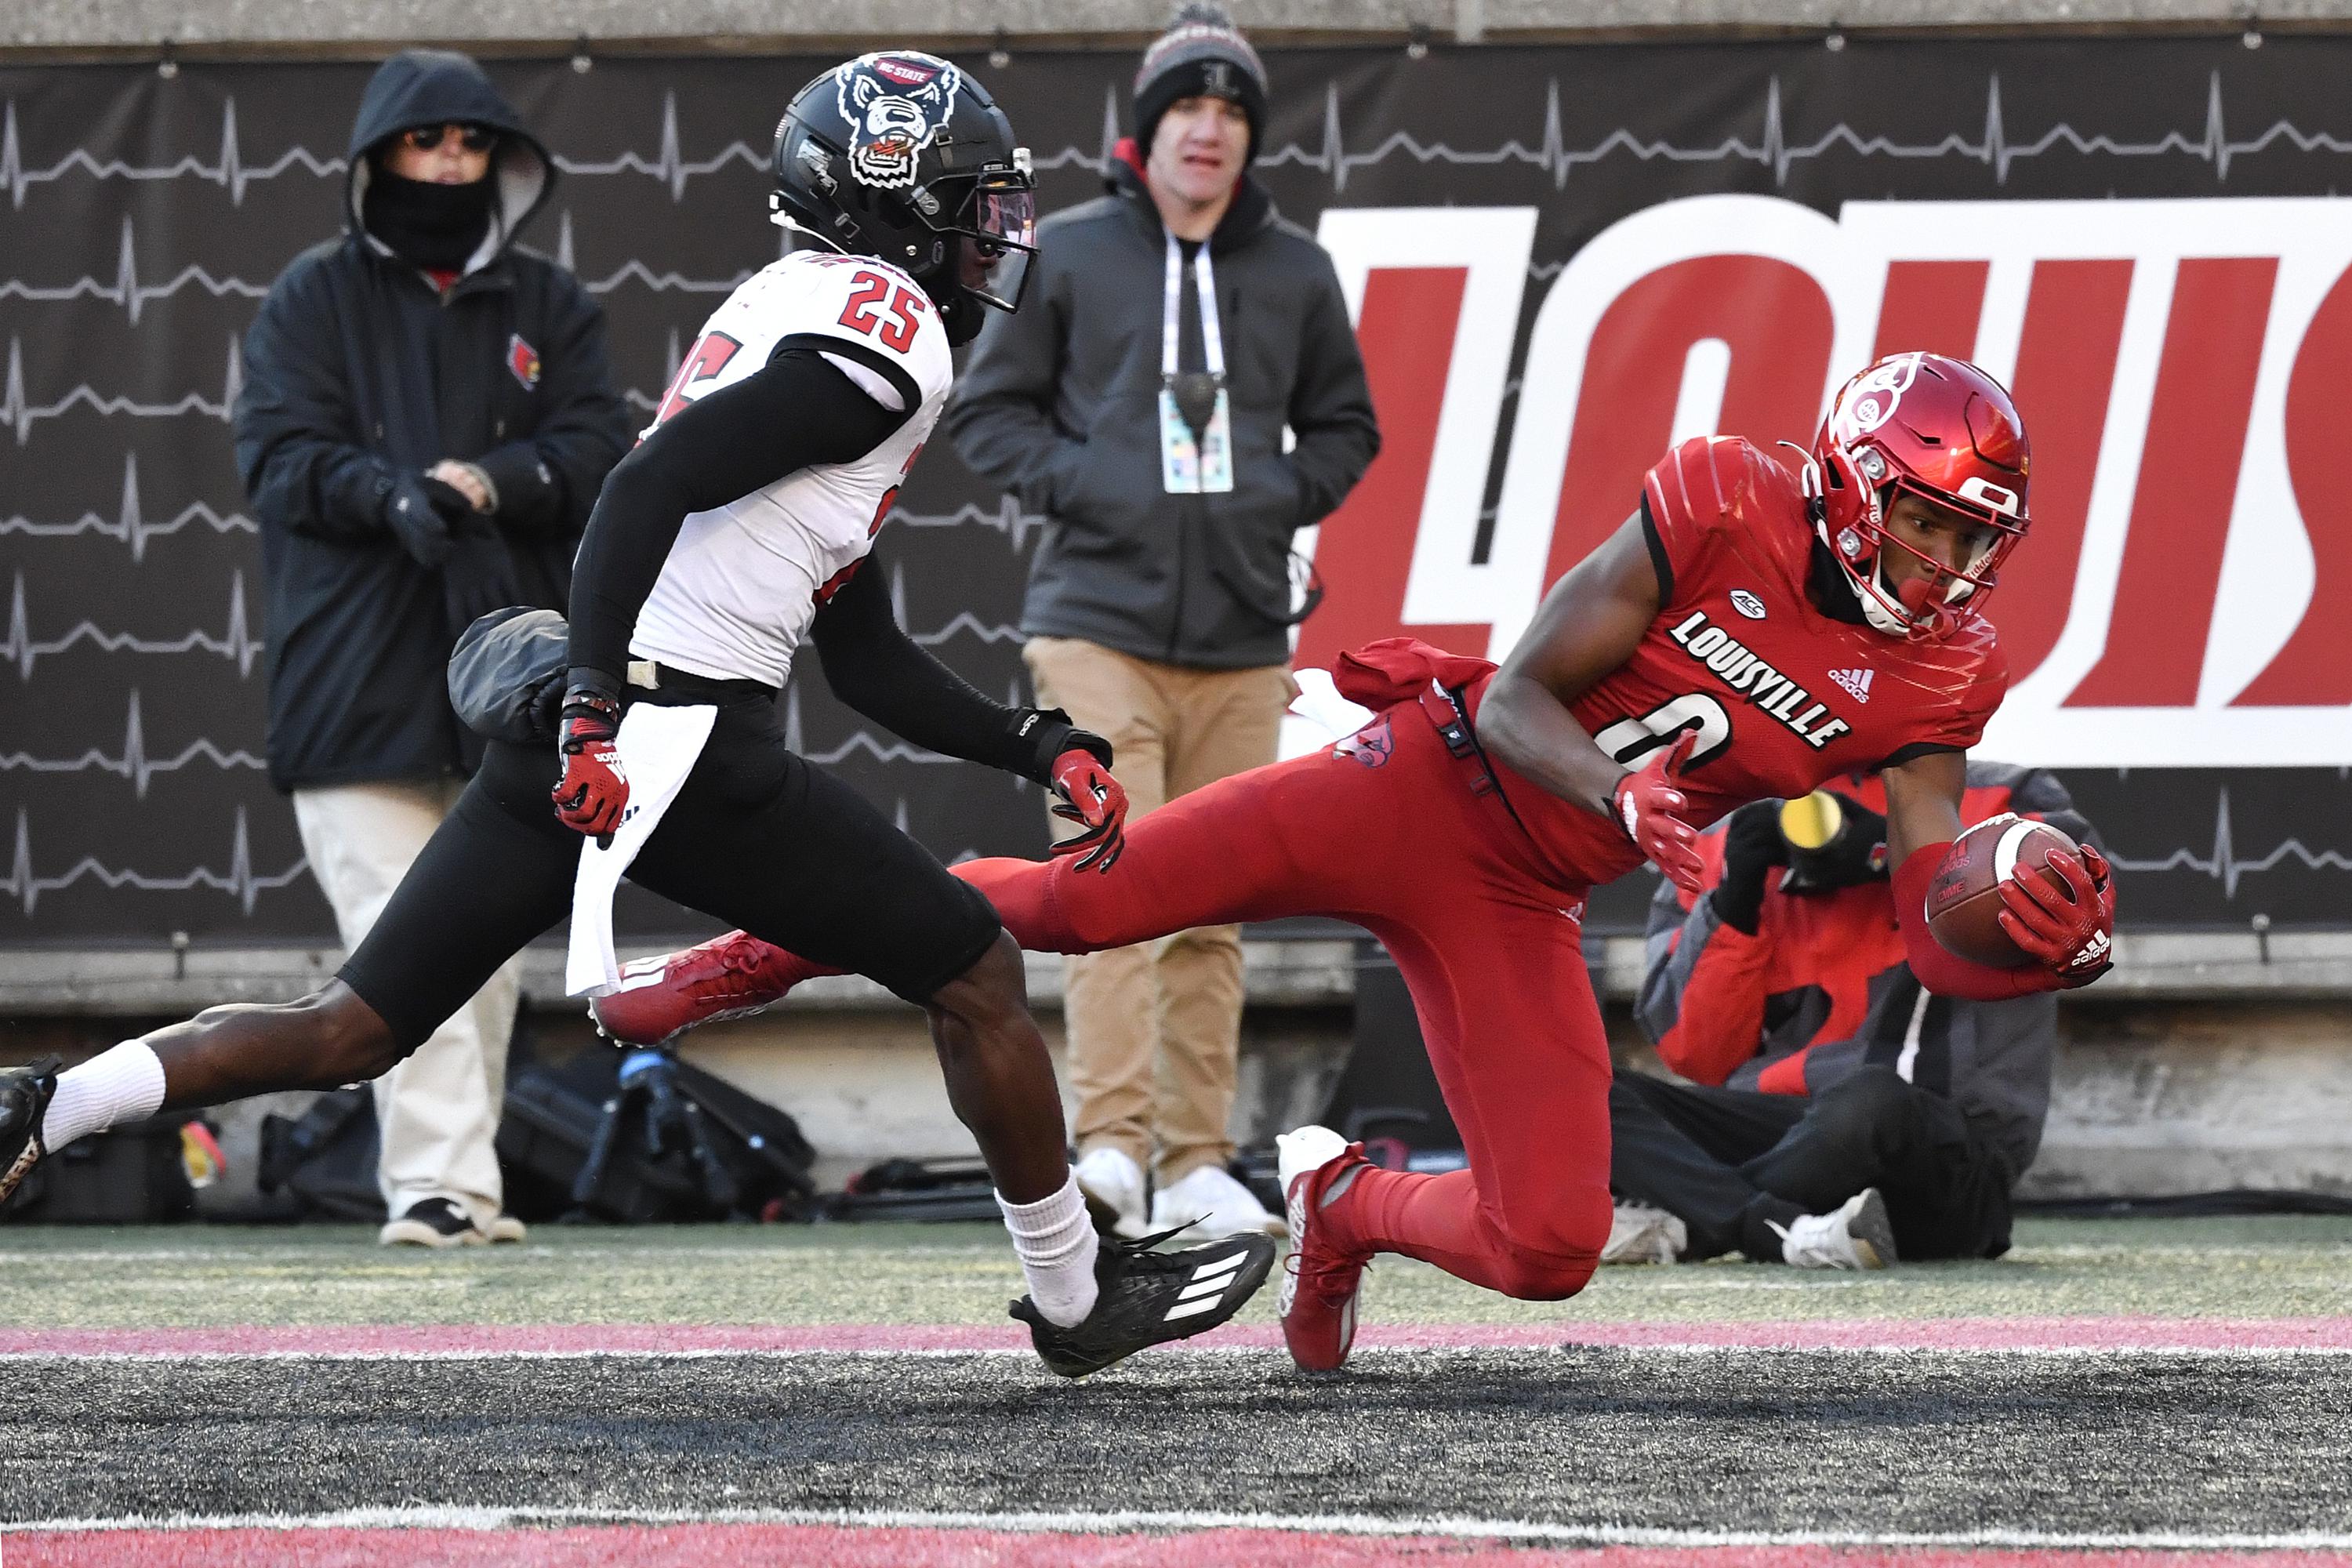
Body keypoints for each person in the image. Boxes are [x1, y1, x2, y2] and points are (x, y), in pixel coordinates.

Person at [0, 51, 1276, 1381]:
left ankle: (47, 1105)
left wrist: (1032, 742)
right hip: (672, 740)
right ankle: (1076, 1296)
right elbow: (644, 487)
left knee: (354, 1028)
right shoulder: (888, 336)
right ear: (887, 200)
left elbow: (868, 658)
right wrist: (604, 713)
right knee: (973, 972)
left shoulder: (803, 304)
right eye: (969, 203)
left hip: (585, 723)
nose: (990, 236)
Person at [579, 351, 2118, 1373]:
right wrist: (1627, 798)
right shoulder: (1723, 495)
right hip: (1422, 782)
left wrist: (2033, 932)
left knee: (1552, 1247)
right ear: (1854, 478)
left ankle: (1348, 1210)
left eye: (1979, 541)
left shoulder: (1944, 675)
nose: (1951, 569)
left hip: (1522, 894)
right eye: (1928, 526)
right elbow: (1520, 691)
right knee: (1074, 903)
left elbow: (1932, 905)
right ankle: (760, 945)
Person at [946, 2, 1379, 1241]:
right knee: (1107, 887)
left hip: (1243, 638)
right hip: (1095, 624)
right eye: (1187, 107)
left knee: (1212, 907)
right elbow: (991, 417)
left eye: (1232, 110)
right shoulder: (1071, 252)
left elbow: (1348, 427)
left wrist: (1270, 498)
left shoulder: (1295, 269)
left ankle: (1197, 1157)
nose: (1209, 129)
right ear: (1148, 129)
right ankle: (1109, 1152)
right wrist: (1105, 484)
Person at [234, 49, 631, 1247]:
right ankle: (439, 1190)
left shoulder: (551, 304)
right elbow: (278, 459)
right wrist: (389, 495)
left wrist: (495, 484)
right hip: (348, 692)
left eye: (470, 145)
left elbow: (604, 450)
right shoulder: (311, 298)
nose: (449, 164)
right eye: (426, 143)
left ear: (501, 163)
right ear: (378, 160)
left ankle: (454, 1185)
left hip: (508, 685)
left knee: (484, 956)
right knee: (401, 936)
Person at [1606, 767, 2096, 1272]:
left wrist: (1904, 855)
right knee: (1582, 1091)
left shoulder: (2006, 797)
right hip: (1779, 1128)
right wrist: (1735, 902)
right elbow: (1697, 1056)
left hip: (1938, 1154)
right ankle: (1775, 1227)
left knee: (1870, 1100)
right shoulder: (1721, 834)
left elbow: (2081, 913)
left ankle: (1695, 1223)